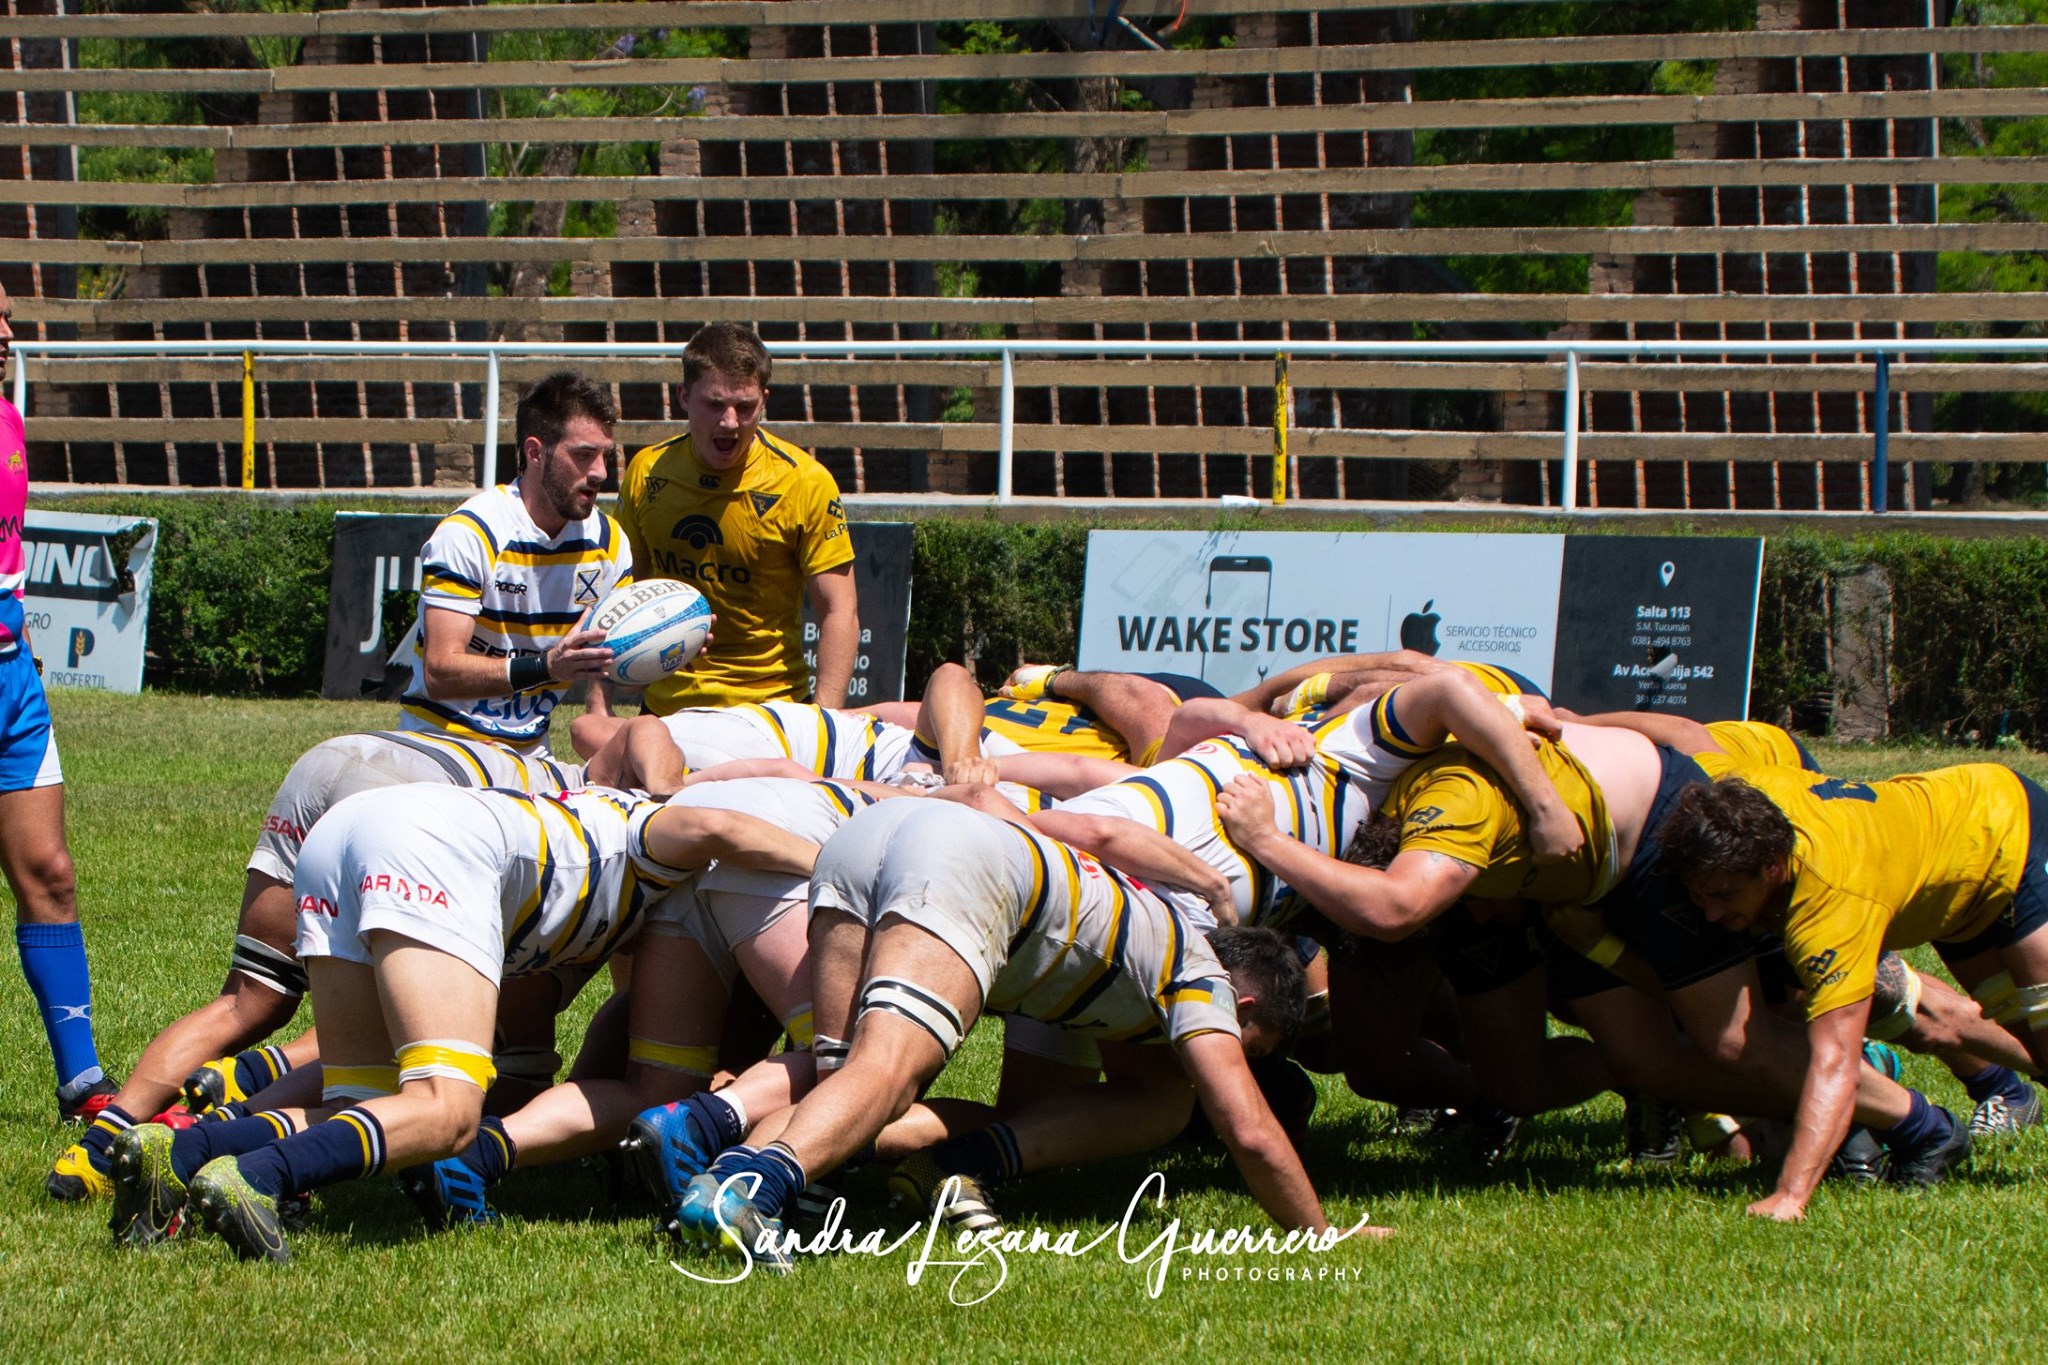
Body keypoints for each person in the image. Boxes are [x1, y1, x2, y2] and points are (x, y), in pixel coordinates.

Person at [48, 370, 631, 1201]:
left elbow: (594, 714)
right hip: (424, 777)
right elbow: (440, 663)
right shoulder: (474, 530)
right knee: (420, 1016)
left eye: (609, 457)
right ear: (535, 450)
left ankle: (102, 1152)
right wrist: (547, 666)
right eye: (586, 456)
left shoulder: (610, 548)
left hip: (349, 765)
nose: (601, 474)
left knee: (253, 997)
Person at [103, 782, 818, 1261]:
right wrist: (826, 867)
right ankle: (256, 1176)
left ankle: (183, 1152)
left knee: (363, 1102)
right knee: (448, 1115)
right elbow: (709, 820)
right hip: (428, 845)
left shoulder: (590, 863)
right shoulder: (647, 830)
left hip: (347, 834)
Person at [667, 798, 1353, 1269]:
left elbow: (1153, 1094)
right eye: (1245, 1041)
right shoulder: (1199, 972)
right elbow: (1250, 1127)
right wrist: (1318, 1234)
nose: (1225, 1057)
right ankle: (743, 1186)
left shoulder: (1149, 934)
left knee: (843, 1076)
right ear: (1246, 999)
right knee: (888, 1073)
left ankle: (737, 1190)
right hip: (964, 865)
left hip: (873, 833)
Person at [1658, 763, 2048, 1219]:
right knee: (2035, 1048)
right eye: (1700, 896)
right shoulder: (1745, 799)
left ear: (1772, 866)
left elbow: (1836, 1062)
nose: (1709, 913)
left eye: (1724, 895)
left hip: (2009, 830)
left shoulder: (1829, 903)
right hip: (1962, 893)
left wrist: (1791, 1195)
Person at [600, 321, 856, 733]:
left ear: (765, 401)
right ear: (683, 397)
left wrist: (826, 722)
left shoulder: (805, 481)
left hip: (771, 709)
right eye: (714, 404)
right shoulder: (647, 472)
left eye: (745, 406)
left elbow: (840, 610)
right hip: (667, 711)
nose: (730, 422)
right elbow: (621, 593)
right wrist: (600, 708)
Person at [0, 280, 114, 1125]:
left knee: (51, 872)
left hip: (12, 682)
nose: (9, 332)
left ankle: (82, 1081)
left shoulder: (8, 420)